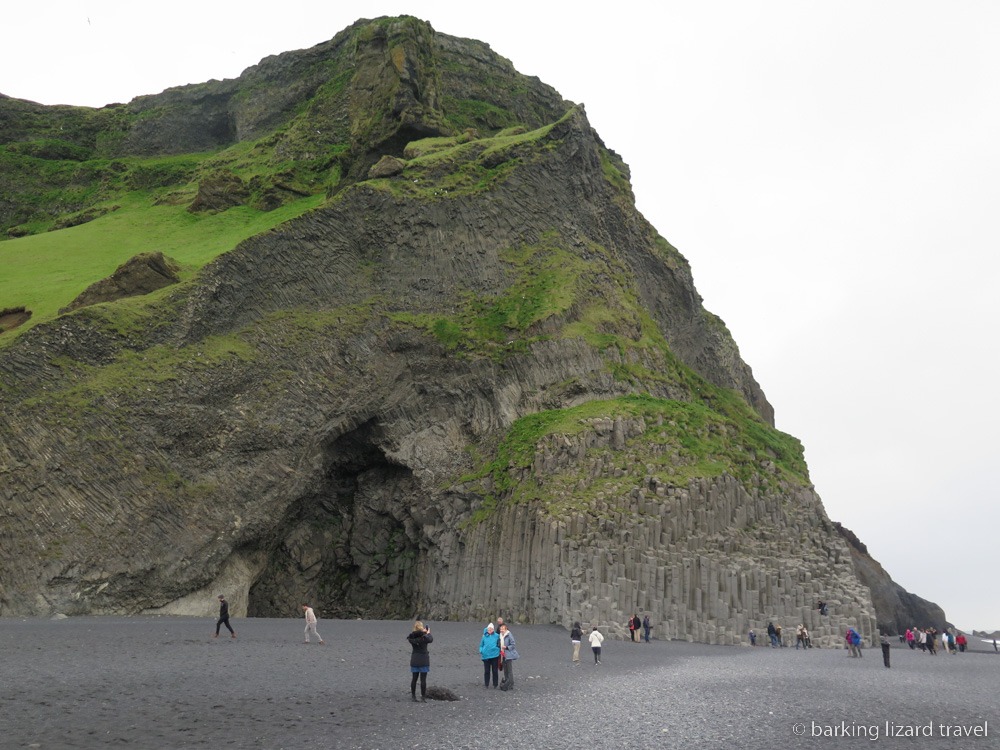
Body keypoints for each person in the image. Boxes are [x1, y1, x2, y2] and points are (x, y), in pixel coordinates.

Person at [407, 621, 433, 702]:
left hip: (415, 658)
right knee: (423, 680)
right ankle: (423, 697)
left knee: (414, 679)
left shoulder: (412, 637)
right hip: (423, 659)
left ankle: (413, 696)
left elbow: (415, 637)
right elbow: (430, 639)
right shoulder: (424, 637)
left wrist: (424, 633)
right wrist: (428, 633)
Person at [479, 623, 501, 688]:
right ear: (487, 629)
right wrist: (481, 651)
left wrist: (498, 649)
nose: (490, 630)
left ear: (493, 629)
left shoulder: (497, 636)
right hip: (486, 656)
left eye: (491, 629)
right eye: (489, 628)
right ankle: (486, 684)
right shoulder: (484, 636)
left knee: (495, 671)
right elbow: (481, 645)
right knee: (487, 671)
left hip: (495, 655)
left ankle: (495, 684)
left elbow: (500, 643)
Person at [498, 623, 518, 691]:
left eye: (503, 629)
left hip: (508, 655)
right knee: (505, 670)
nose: (501, 630)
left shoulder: (509, 635)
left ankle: (511, 684)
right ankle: (506, 682)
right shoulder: (500, 636)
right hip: (502, 655)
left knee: (509, 670)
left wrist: (506, 647)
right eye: (501, 629)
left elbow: (513, 645)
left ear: (506, 629)